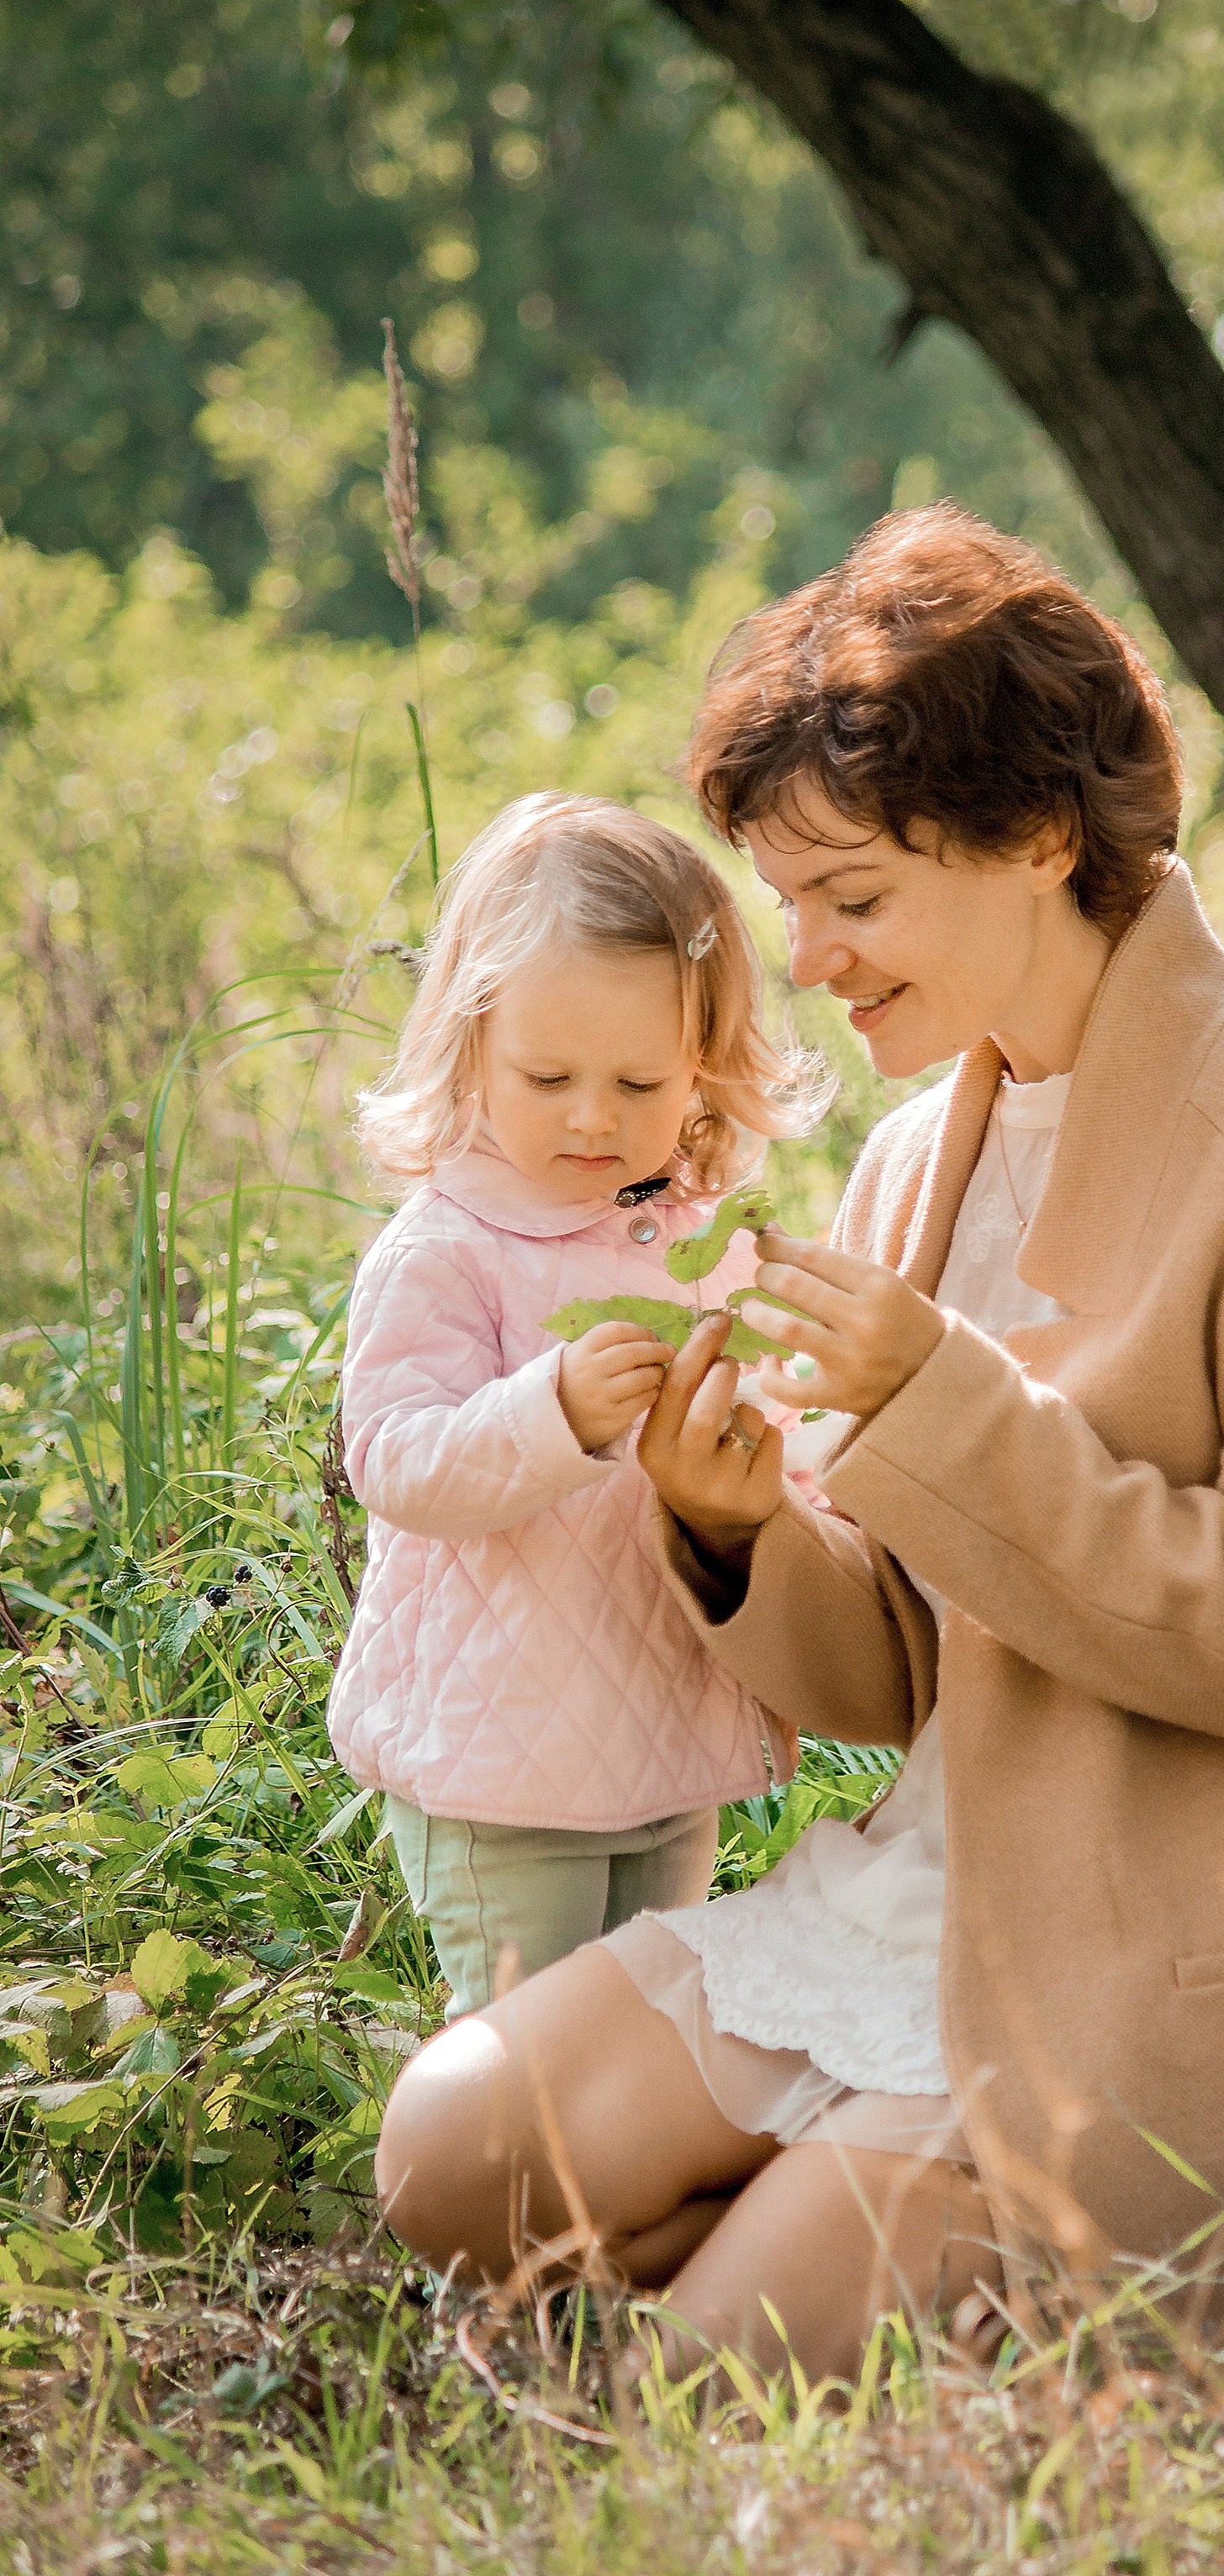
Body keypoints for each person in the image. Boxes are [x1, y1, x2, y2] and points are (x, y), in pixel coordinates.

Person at [373, 507, 1224, 2378]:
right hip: (926, 1895)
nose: (801, 962)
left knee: (709, 2384)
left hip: (1186, 1944)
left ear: (1039, 839)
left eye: (856, 899)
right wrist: (736, 1535)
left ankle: (856, 2250)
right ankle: (842, 2219)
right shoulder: (917, 1154)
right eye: (790, 900)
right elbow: (903, 1675)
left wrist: (937, 1408)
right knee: (450, 2148)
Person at [327, 793, 822, 2015]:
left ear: (705, 1072)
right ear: (470, 1046)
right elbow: (393, 1459)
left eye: (640, 1081)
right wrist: (552, 1410)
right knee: (528, 2056)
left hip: (661, 1730)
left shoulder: (699, 1251)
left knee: (653, 2034)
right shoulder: (444, 1251)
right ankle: (508, 2212)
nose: (595, 1116)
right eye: (548, 1076)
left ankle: (623, 2216)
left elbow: (779, 1442)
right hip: (498, 1760)